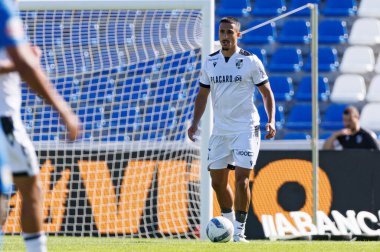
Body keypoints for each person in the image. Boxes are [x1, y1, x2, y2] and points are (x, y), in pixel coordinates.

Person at [0, 0, 81, 251]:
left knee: (19, 186)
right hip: (4, 121)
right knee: (28, 186)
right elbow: (24, 65)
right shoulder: (3, 9)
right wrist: (64, 110)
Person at [188, 17, 276, 242]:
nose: (225, 36)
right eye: (222, 32)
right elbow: (202, 94)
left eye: (229, 32)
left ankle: (238, 232)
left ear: (238, 35)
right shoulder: (210, 62)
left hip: (246, 128)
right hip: (220, 130)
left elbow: (267, 93)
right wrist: (195, 123)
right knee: (217, 182)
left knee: (241, 179)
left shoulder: (250, 61)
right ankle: (226, 226)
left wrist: (271, 120)